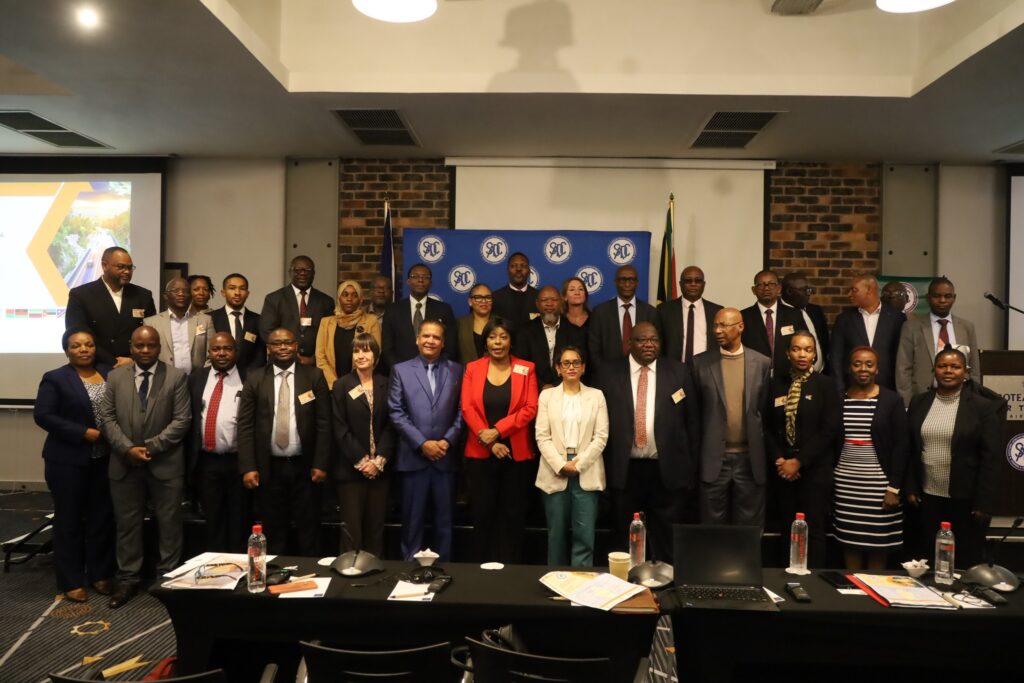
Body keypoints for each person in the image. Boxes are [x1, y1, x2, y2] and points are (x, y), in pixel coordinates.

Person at [97, 326, 190, 608]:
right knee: (127, 525)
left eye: (151, 345)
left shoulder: (176, 376)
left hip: (166, 464)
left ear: (159, 347)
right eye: (140, 345)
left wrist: (150, 447)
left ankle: (167, 580)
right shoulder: (115, 377)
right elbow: (106, 418)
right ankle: (127, 580)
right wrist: (127, 449)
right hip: (124, 464)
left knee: (170, 525)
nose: (146, 350)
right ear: (131, 347)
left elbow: (182, 420)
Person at [599, 321, 699, 561]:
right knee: (624, 535)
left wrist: (690, 469)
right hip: (624, 470)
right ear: (629, 343)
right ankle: (625, 579)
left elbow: (692, 423)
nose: (649, 345)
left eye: (654, 340)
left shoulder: (679, 372)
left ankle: (665, 579)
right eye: (642, 340)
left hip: (666, 470)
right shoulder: (608, 374)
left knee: (665, 536)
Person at [33, 329, 116, 602]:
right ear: (66, 350)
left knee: (101, 517)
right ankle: (71, 580)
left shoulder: (109, 373)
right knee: (69, 520)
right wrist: (82, 432)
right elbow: (43, 415)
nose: (84, 349)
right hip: (67, 461)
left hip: (104, 459)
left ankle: (100, 574)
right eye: (77, 345)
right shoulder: (56, 378)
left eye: (89, 344)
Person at [906, 347, 1007, 567]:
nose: (948, 371)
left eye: (955, 366)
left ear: (966, 372)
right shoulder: (919, 402)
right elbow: (911, 449)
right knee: (928, 556)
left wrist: (984, 502)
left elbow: (991, 458)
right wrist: (911, 486)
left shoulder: (983, 407)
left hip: (966, 498)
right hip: (927, 496)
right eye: (942, 366)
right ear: (934, 370)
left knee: (964, 559)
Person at [237, 328, 331, 555]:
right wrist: (248, 467)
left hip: (306, 467)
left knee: (309, 529)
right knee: (274, 529)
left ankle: (310, 574)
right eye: (277, 344)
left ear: (296, 346)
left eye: (287, 343)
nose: (283, 347)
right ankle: (275, 571)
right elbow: (245, 425)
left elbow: (324, 424)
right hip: (269, 468)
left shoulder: (314, 376)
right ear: (268, 348)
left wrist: (321, 463)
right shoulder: (255, 378)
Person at [461, 317, 539, 563]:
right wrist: (490, 441)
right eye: (492, 337)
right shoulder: (473, 368)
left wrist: (497, 431)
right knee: (482, 515)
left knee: (512, 516)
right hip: (481, 453)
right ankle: (481, 569)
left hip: (516, 455)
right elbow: (467, 408)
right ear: (485, 341)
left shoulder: (526, 368)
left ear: (511, 341)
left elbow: (530, 408)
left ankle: (511, 568)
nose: (498, 342)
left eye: (503, 337)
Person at [388, 320, 464, 562]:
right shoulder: (401, 370)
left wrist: (447, 441)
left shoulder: (457, 370)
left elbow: (463, 410)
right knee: (412, 523)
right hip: (413, 459)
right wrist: (422, 443)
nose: (430, 341)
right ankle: (410, 572)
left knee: (445, 523)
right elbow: (396, 411)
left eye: (436, 337)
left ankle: (445, 572)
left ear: (443, 343)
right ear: (417, 339)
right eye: (426, 336)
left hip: (445, 458)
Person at [764, 332, 840, 568]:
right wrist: (780, 459)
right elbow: (765, 426)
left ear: (815, 354)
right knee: (786, 527)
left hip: (814, 469)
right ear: (788, 353)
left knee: (814, 528)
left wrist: (798, 462)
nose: (802, 354)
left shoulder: (826, 385)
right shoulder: (775, 384)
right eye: (796, 349)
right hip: (782, 469)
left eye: (808, 350)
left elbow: (829, 430)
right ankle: (786, 576)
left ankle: (813, 578)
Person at [690, 308, 771, 526]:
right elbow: (695, 414)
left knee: (749, 528)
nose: (717, 330)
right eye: (715, 325)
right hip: (714, 458)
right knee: (711, 526)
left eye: (723, 326)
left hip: (750, 459)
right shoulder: (700, 364)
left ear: (740, 327)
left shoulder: (762, 363)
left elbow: (762, 411)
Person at [833, 347, 908, 570]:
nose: (863, 369)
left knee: (878, 544)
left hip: (879, 486)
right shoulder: (839, 398)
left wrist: (894, 487)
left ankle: (874, 592)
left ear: (877, 369)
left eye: (869, 364)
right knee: (850, 542)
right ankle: (853, 591)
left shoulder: (891, 400)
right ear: (849, 368)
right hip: (846, 485)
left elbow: (902, 446)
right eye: (857, 364)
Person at [535, 346, 608, 567]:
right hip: (554, 472)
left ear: (583, 367)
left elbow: (601, 436)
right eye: (565, 363)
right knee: (556, 536)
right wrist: (561, 465)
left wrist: (579, 464)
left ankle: (581, 582)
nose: (571, 367)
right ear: (558, 368)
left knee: (584, 537)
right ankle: (556, 581)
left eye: (576, 362)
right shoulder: (547, 396)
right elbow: (542, 436)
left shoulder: (596, 396)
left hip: (587, 471)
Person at [331, 333, 395, 557]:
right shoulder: (341, 385)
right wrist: (363, 461)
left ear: (376, 355)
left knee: (375, 529)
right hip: (351, 470)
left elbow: (392, 425)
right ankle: (350, 572)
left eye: (366, 350)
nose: (360, 355)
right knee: (352, 530)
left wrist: (378, 462)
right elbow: (339, 427)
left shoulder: (387, 383)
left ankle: (374, 573)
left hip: (380, 470)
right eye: (356, 351)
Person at [188, 332, 248, 552]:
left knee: (239, 520)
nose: (222, 353)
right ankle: (216, 567)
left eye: (227, 349)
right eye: (216, 349)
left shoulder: (249, 377)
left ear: (236, 351)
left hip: (239, 462)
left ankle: (239, 567)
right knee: (213, 522)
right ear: (209, 352)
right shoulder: (197, 378)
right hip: (207, 462)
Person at [895, 276, 980, 407]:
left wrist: (974, 399)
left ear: (954, 298)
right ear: (928, 298)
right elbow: (903, 368)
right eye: (936, 296)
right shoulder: (911, 327)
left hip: (961, 398)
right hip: (922, 398)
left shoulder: (967, 327)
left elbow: (974, 368)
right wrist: (907, 404)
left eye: (947, 296)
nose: (942, 300)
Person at [65, 246, 156, 368]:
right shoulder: (81, 295)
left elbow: (151, 335)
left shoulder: (143, 295)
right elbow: (75, 334)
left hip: (134, 366)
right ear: (104, 266)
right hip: (95, 366)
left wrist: (133, 359)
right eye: (121, 267)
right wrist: (113, 362)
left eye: (130, 268)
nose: (127, 271)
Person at [831, 274, 905, 393]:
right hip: (852, 389)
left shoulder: (897, 318)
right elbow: (836, 357)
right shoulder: (844, 319)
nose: (849, 294)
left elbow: (903, 358)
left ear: (869, 290)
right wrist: (839, 389)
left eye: (854, 290)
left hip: (888, 389)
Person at [259, 255, 335, 366]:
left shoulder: (326, 301)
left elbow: (330, 335)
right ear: (290, 272)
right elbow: (267, 331)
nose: (303, 273)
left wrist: (315, 359)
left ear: (314, 274)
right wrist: (287, 354)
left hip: (315, 365)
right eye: (298, 270)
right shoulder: (273, 299)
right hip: (281, 363)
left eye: (307, 270)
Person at [587, 265, 660, 376]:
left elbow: (656, 347)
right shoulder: (600, 312)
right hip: (608, 374)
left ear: (637, 283)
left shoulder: (650, 312)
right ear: (615, 282)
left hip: (642, 374)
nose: (627, 284)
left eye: (631, 280)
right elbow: (594, 349)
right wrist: (604, 373)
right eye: (623, 280)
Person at [382, 264, 457, 369]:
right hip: (402, 372)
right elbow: (387, 349)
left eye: (425, 277)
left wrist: (433, 368)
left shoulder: (444, 310)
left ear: (430, 283)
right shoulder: (392, 310)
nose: (420, 280)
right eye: (415, 276)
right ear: (408, 281)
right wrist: (402, 370)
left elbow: (450, 347)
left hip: (435, 371)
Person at [514, 285, 586, 390]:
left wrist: (556, 387)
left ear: (561, 302)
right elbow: (521, 365)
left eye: (554, 300)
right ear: (537, 304)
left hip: (567, 389)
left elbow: (579, 365)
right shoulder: (525, 331)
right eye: (544, 300)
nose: (549, 304)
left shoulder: (575, 332)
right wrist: (541, 386)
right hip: (533, 389)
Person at [315, 280, 381, 390]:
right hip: (330, 386)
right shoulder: (326, 322)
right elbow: (320, 357)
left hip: (360, 384)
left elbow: (375, 354)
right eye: (345, 295)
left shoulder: (371, 321)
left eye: (354, 295)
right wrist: (336, 384)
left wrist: (352, 382)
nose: (349, 299)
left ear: (360, 299)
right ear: (339, 298)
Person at [740, 269, 806, 376]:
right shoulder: (743, 316)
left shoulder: (794, 315)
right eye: (761, 285)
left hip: (788, 377)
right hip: (754, 376)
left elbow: (805, 344)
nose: (766, 288)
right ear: (753, 290)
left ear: (779, 288)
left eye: (771, 284)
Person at [144, 277, 212, 374]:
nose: (181, 294)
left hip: (197, 378)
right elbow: (147, 355)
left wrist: (202, 376)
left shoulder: (205, 320)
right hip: (163, 378)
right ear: (165, 295)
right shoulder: (151, 323)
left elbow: (212, 353)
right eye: (176, 291)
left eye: (186, 291)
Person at [658, 265, 723, 364]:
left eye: (698, 281)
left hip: (708, 368)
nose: (693, 284)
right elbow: (659, 343)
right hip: (673, 368)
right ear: (680, 284)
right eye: (688, 281)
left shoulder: (717, 311)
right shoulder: (664, 310)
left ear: (704, 284)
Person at [210, 273, 265, 370]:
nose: (237, 293)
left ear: (247, 293)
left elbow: (260, 355)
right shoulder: (211, 318)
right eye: (232, 288)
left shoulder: (258, 320)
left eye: (242, 289)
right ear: (223, 292)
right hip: (218, 373)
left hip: (250, 376)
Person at [781, 271, 830, 374]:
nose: (809, 293)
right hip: (790, 377)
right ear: (789, 291)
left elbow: (825, 342)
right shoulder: (777, 314)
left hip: (821, 375)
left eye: (809, 290)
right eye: (804, 290)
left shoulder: (815, 311)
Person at [490, 252, 538, 333]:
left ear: (529, 271)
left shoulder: (539, 297)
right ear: (507, 270)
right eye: (513, 266)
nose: (518, 269)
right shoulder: (495, 298)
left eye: (523, 266)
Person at [456, 283, 493, 364]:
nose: (484, 301)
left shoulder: (500, 324)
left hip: (496, 370)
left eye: (488, 297)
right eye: (478, 297)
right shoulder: (459, 324)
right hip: (466, 370)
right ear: (470, 301)